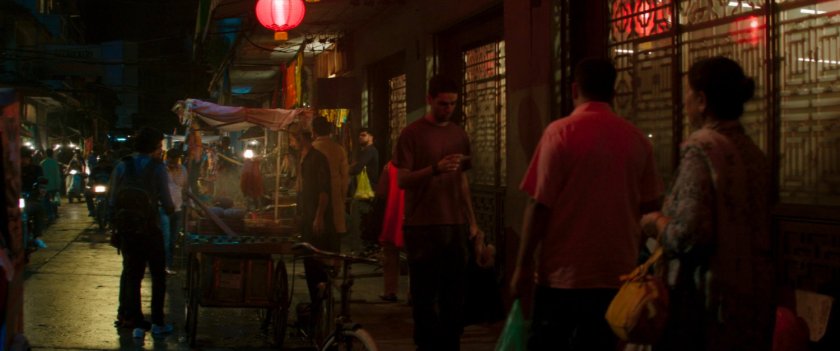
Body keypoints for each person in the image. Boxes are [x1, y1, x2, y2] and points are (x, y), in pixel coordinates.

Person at [511, 58, 663, 351]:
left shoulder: (559, 133)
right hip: (616, 276)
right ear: (614, 92)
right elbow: (650, 209)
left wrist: (523, 265)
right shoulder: (638, 141)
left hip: (561, 278)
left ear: (574, 89)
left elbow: (539, 205)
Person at [640, 56, 775, 351]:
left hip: (708, 308)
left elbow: (688, 235)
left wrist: (655, 223)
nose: (684, 100)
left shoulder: (701, 150)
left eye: (688, 92)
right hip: (754, 303)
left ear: (702, 100)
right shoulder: (754, 153)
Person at [394, 75, 483, 351]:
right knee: (424, 296)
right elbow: (402, 180)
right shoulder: (412, 134)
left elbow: (462, 180)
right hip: (422, 225)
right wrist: (434, 169)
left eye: (453, 104)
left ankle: (450, 343)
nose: (448, 109)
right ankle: (427, 345)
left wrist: (473, 222)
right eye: (443, 103)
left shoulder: (459, 133)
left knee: (454, 295)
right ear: (430, 100)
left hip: (454, 224)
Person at [110, 127, 175, 337]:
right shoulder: (158, 168)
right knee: (158, 276)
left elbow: (111, 200)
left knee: (133, 275)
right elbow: (166, 202)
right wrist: (171, 210)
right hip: (149, 228)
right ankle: (157, 322)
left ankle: (137, 324)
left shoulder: (122, 165)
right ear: (155, 146)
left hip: (127, 230)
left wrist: (117, 227)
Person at [290, 130, 336, 331]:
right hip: (308, 218)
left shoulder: (317, 158)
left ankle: (321, 313)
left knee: (318, 265)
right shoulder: (304, 158)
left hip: (319, 221)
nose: (291, 144)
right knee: (310, 265)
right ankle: (316, 311)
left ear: (301, 139)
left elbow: (324, 190)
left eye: (292, 140)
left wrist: (319, 216)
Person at [311, 116, 349, 239]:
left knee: (317, 237)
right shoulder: (339, 149)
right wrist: (343, 196)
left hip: (315, 196)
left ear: (314, 131)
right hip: (335, 194)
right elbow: (345, 177)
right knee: (334, 235)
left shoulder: (311, 149)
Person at [375, 153, 404, 302]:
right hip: (414, 214)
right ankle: (415, 294)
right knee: (415, 256)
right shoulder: (421, 165)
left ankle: (390, 291)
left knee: (391, 254)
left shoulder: (390, 166)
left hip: (394, 214)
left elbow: (381, 191)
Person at [349, 128, 380, 256]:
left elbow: (357, 168)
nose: (360, 137)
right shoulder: (366, 151)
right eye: (359, 135)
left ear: (371, 137)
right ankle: (362, 247)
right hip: (364, 190)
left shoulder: (370, 151)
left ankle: (360, 248)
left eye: (364, 135)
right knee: (362, 219)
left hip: (366, 190)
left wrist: (351, 167)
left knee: (358, 218)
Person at [160, 149, 187, 275]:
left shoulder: (183, 169)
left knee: (172, 240)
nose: (174, 161)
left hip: (178, 209)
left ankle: (168, 265)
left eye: (176, 159)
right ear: (167, 158)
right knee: (165, 239)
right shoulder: (161, 169)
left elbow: (186, 187)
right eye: (172, 159)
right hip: (163, 209)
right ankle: (164, 265)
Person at [40, 148, 61, 221]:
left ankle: (49, 214)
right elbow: (57, 175)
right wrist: (58, 185)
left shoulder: (42, 163)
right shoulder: (54, 163)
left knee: (46, 201)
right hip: (54, 185)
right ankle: (55, 213)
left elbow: (41, 175)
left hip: (45, 186)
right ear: (52, 154)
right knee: (54, 200)